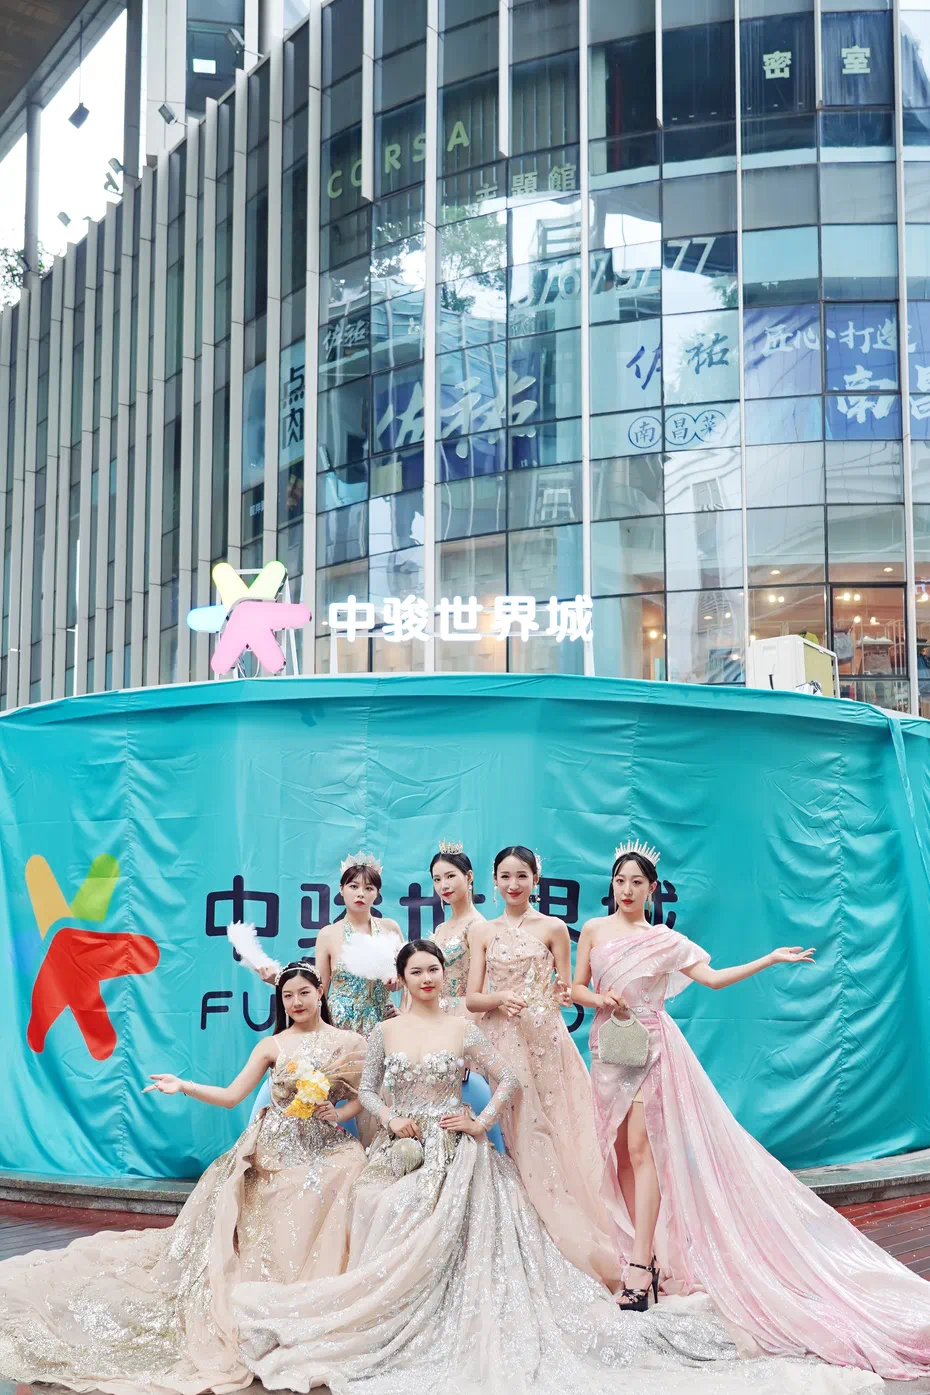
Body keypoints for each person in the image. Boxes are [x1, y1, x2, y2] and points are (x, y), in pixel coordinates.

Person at [235, 941, 883, 1395]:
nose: (427, 977)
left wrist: (480, 1123)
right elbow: (370, 1092)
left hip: (459, 1148)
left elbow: (508, 1078)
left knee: (467, 1216)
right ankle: (383, 1316)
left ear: (441, 976)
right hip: (402, 1145)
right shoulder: (384, 1032)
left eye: (434, 969)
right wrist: (394, 1119)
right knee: (379, 1201)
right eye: (417, 970)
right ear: (402, 979)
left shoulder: (462, 1030)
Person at [572, 840, 930, 1378]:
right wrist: (598, 1000)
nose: (627, 890)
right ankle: (639, 1251)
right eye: (620, 881)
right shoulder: (595, 931)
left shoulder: (665, 940)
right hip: (607, 1049)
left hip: (649, 1049)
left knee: (643, 1153)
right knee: (618, 1154)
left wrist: (769, 959)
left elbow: (713, 979)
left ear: (652, 889)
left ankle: (641, 1268)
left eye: (636, 882)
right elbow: (576, 986)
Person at [0, 961, 367, 1393]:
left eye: (304, 992)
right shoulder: (272, 1045)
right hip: (276, 1149)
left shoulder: (351, 1043)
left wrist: (337, 1113)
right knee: (287, 1191)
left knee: (349, 1168)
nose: (296, 1002)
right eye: (287, 996)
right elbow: (231, 1097)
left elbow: (364, 1097)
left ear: (320, 991)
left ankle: (321, 1294)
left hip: (325, 1144)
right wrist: (184, 1085)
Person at [465, 845, 623, 1290]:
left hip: (544, 1039)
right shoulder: (482, 932)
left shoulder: (553, 928)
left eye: (522, 875)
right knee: (508, 1128)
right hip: (499, 1037)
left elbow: (565, 990)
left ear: (536, 879)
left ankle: (557, 1231)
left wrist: (558, 994)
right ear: (494, 881)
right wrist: (499, 998)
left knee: (552, 1127)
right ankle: (509, 1231)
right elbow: (473, 998)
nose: (513, 884)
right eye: (505, 876)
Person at [253, 850, 402, 1144]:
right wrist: (280, 980)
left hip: (380, 1024)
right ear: (341, 890)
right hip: (341, 1028)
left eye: (369, 888)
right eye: (353, 886)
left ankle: (377, 1158)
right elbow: (318, 985)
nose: (361, 894)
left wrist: (397, 981)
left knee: (378, 1097)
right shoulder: (329, 934)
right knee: (324, 1096)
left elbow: (407, 973)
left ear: (377, 893)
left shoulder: (390, 929)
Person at [421, 840, 503, 1151]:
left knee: (464, 1103)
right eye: (437, 879)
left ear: (469, 877)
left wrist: (467, 1043)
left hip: (463, 1020)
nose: (443, 885)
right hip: (434, 1019)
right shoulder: (442, 928)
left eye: (450, 876)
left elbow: (480, 990)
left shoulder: (479, 926)